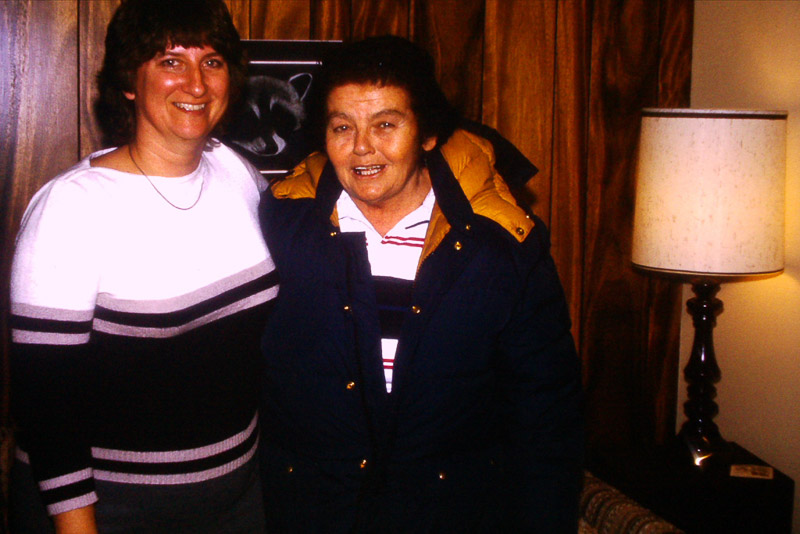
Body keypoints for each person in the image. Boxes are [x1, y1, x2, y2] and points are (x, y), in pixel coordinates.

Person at [258, 35, 584, 532]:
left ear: (428, 134)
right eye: (343, 127)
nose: (362, 147)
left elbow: (547, 417)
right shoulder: (283, 226)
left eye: (385, 124)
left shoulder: (501, 244)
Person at [8, 0, 277, 532]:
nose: (196, 83)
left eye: (212, 61)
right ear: (129, 81)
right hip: (110, 509)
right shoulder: (72, 208)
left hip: (239, 497)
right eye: (170, 61)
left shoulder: (237, 172)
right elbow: (46, 403)